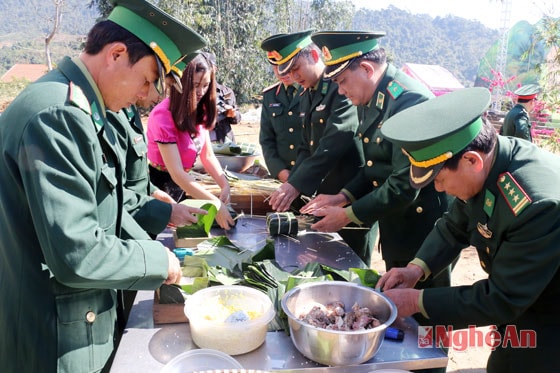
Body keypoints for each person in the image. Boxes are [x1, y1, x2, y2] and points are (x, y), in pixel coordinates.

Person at [0, 0, 208, 371]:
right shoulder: (59, 116)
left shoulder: (75, 106)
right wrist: (157, 259)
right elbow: (76, 252)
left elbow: (104, 201)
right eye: (146, 80)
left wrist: (158, 221)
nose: (146, 96)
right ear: (116, 54)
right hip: (54, 337)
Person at [376, 87, 560, 372]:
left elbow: (502, 297)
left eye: (439, 180)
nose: (438, 189)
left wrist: (416, 301)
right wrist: (415, 269)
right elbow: (454, 225)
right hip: (523, 300)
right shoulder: (489, 163)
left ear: (471, 161)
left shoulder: (536, 204)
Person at [300, 31, 454, 274]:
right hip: (395, 217)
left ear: (366, 69)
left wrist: (347, 215)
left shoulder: (408, 101)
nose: (340, 91)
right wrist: (343, 197)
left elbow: (405, 182)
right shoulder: (369, 95)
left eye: (341, 82)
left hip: (423, 225)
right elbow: (375, 165)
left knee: (421, 303)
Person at [261, 30, 364, 257]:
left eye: (296, 68)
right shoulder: (306, 93)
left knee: (351, 259)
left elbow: (333, 142)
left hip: (351, 191)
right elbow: (305, 147)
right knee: (325, 257)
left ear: (315, 57)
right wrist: (291, 183)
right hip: (323, 193)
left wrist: (295, 184)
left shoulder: (339, 87)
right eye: (287, 71)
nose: (294, 77)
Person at [147, 53, 235, 230]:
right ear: (182, 84)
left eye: (206, 85)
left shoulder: (200, 109)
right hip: (159, 189)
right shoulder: (163, 115)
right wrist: (215, 204)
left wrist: (224, 184)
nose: (201, 92)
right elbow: (177, 173)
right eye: (195, 86)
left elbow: (207, 156)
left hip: (182, 186)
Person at [258, 61, 302, 183]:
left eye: (285, 65)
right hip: (283, 179)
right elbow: (266, 140)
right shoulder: (270, 95)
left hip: (311, 176)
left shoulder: (311, 91)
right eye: (275, 67)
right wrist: (279, 171)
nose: (281, 71)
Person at [204, 52, 242, 143]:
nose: (207, 70)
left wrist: (232, 114)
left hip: (224, 141)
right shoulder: (197, 92)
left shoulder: (226, 91)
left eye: (210, 67)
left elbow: (237, 118)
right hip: (203, 143)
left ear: (215, 69)